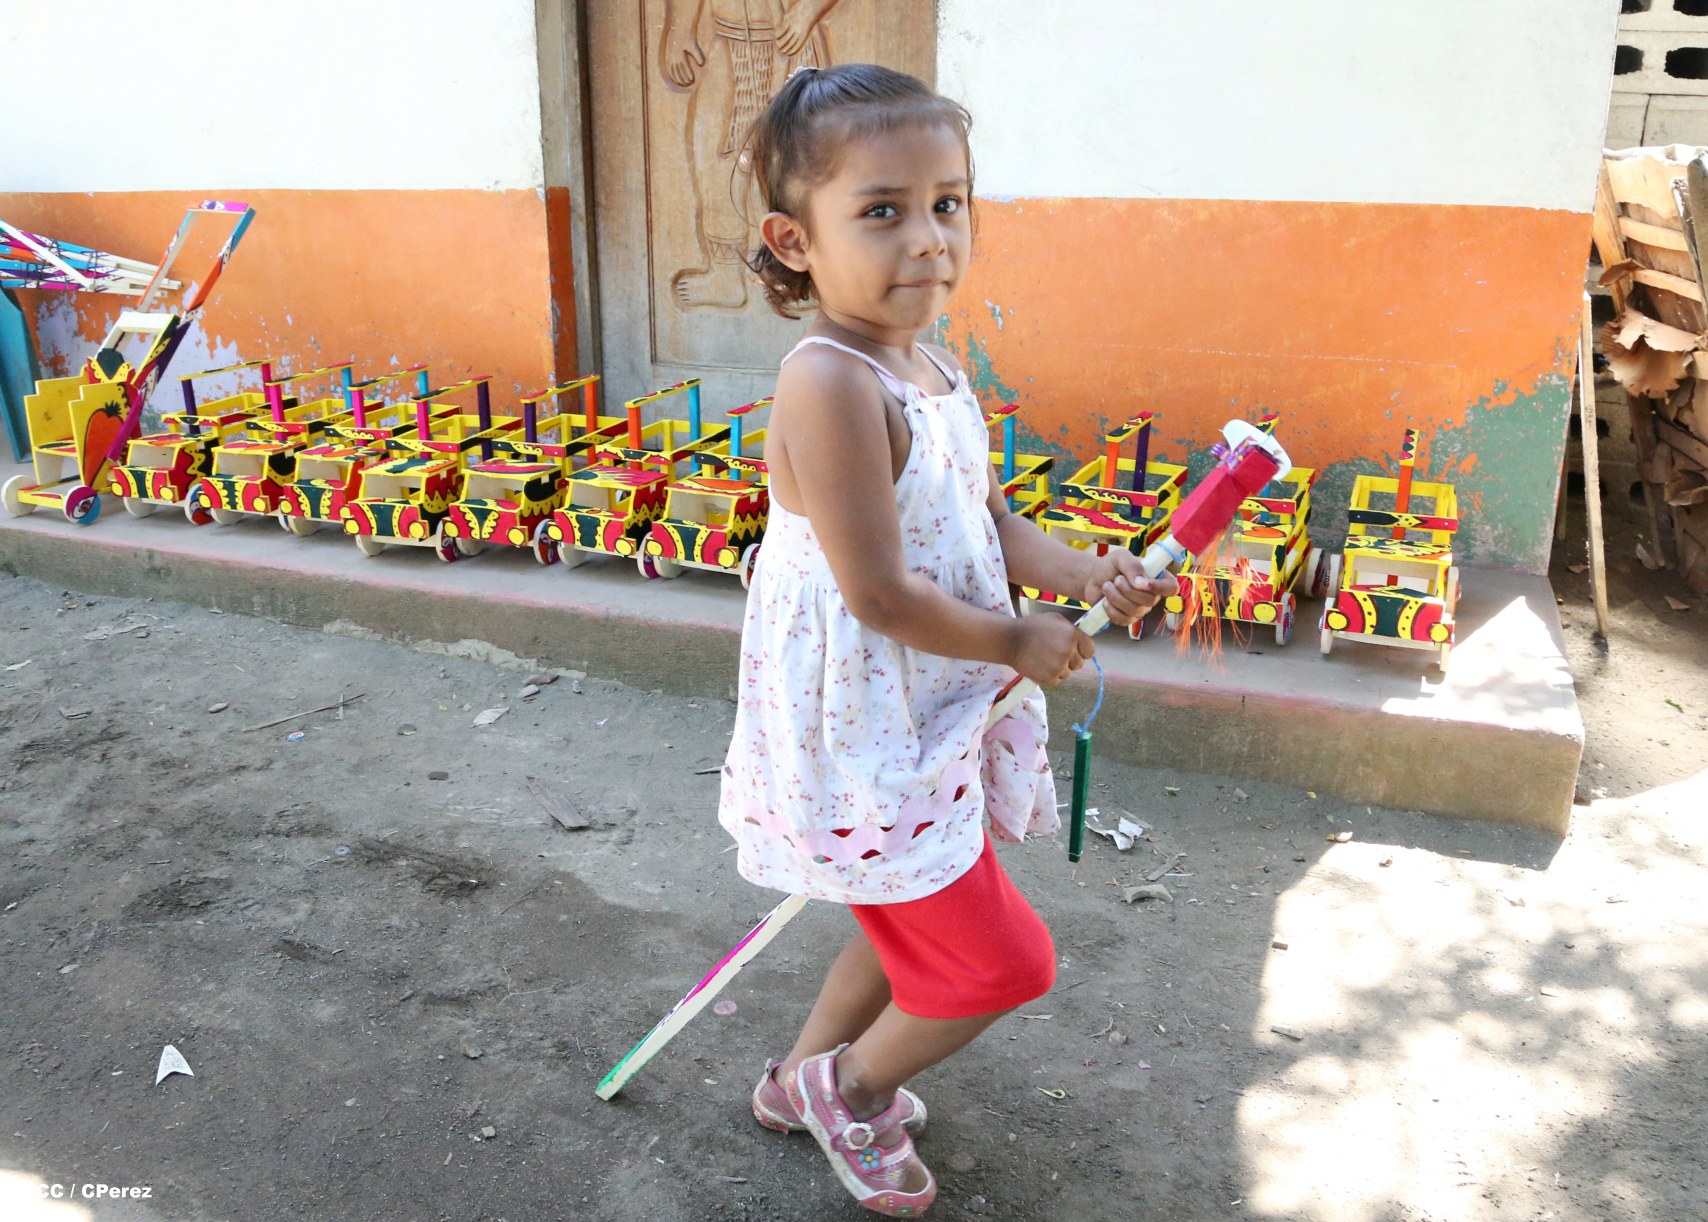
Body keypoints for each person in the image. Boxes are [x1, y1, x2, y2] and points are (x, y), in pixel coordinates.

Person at [716, 63, 1172, 1216]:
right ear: (795, 239)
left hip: (927, 701)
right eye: (882, 209)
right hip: (870, 717)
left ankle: (793, 1082)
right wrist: (1014, 638)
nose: (927, 237)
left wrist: (1079, 571)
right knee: (1002, 960)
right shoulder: (830, 382)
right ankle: (847, 1087)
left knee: (901, 916)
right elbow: (876, 591)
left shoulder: (929, 364)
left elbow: (983, 518)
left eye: (947, 203)